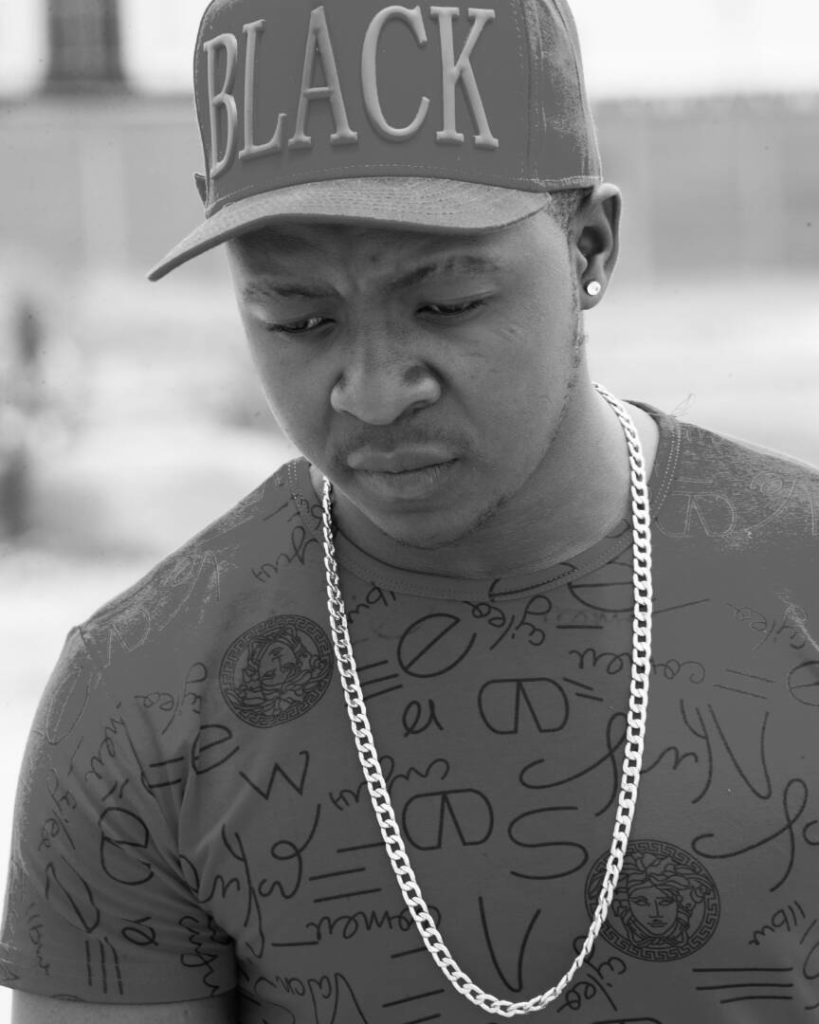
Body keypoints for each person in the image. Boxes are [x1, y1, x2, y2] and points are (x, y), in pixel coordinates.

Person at [1, 0, 817, 1020]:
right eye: (299, 319)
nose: (375, 392)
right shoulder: (140, 693)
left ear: (590, 247)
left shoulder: (798, 580)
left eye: (448, 305)